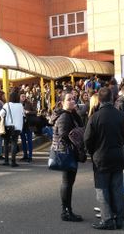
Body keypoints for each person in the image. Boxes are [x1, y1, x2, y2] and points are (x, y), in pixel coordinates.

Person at [85, 87, 124, 230]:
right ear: (113, 99)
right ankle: (119, 219)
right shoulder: (122, 116)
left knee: (102, 190)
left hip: (100, 157)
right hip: (117, 156)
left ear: (99, 100)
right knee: (117, 189)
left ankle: (107, 219)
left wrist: (93, 152)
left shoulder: (95, 117)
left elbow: (87, 139)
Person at [49, 92, 84, 222]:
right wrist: (77, 142)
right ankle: (66, 211)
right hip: (66, 153)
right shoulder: (64, 116)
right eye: (69, 99)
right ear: (62, 102)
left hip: (70, 152)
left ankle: (67, 210)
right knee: (67, 182)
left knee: (69, 182)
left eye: (74, 99)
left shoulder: (71, 114)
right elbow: (64, 135)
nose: (72, 101)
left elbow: (80, 125)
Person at [0, 90, 24, 167]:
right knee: (14, 143)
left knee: (6, 143)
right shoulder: (20, 105)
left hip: (7, 127)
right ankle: (13, 162)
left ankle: (6, 161)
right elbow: (23, 115)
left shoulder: (7, 105)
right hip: (17, 128)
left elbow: (1, 114)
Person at [20, 93, 36, 162]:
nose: (23, 97)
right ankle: (25, 155)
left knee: (29, 141)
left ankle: (30, 156)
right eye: (22, 96)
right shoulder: (18, 104)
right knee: (23, 141)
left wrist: (29, 112)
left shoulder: (29, 103)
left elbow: (35, 112)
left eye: (24, 96)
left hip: (29, 124)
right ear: (20, 97)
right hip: (21, 124)